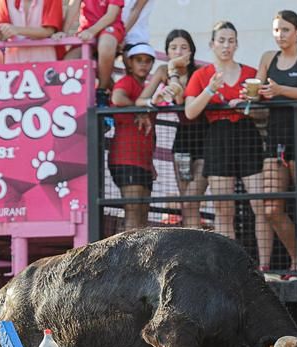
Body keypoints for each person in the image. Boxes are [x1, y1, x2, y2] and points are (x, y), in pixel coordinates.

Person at [184, 22, 266, 254]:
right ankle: (227, 268)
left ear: (237, 44)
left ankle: (265, 265)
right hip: (217, 137)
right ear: (212, 44)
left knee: (260, 203)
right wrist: (209, 90)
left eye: (231, 41)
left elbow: (265, 112)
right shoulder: (202, 75)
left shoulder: (251, 74)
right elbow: (190, 111)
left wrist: (247, 107)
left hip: (247, 135)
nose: (226, 45)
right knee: (223, 206)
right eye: (221, 40)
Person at [257, 10, 297, 275]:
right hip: (275, 137)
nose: (280, 35)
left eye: (285, 29)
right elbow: (259, 92)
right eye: (276, 30)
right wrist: (251, 95)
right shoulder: (267, 58)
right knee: (271, 208)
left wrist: (279, 90)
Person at [140, 29, 207, 229]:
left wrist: (173, 71)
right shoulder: (163, 71)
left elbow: (181, 98)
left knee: (193, 198)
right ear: (167, 51)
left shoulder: (199, 72)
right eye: (173, 47)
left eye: (184, 47)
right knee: (186, 201)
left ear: (192, 51)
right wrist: (154, 100)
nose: (178, 52)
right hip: (182, 139)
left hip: (205, 138)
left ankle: (198, 244)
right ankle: (191, 248)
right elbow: (141, 99)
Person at [111, 43, 157, 231]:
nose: (143, 65)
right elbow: (117, 98)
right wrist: (138, 111)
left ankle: (140, 259)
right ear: (129, 63)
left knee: (143, 212)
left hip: (143, 161)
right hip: (125, 158)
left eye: (148, 61)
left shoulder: (144, 87)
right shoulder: (127, 82)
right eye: (139, 60)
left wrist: (151, 163)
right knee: (132, 210)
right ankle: (128, 259)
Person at [63, 0, 125, 94]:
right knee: (69, 61)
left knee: (105, 45)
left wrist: (92, 31)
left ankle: (102, 91)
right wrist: (63, 32)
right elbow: (73, 8)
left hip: (110, 27)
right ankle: (80, 96)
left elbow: (112, 15)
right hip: (86, 31)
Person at [0, 0, 64, 63]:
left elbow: (49, 31)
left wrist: (17, 30)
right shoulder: (4, 1)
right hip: (14, 64)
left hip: (45, 63)